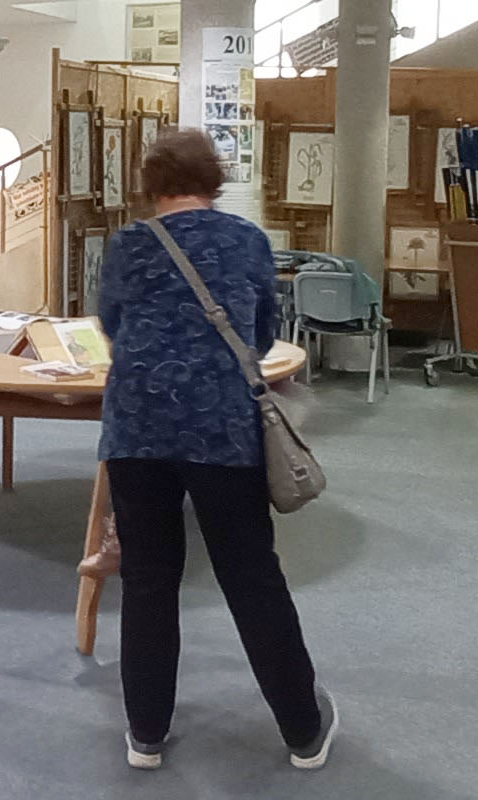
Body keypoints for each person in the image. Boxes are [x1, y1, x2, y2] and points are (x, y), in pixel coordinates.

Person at [96, 130, 336, 771]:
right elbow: (260, 334)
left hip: (137, 427)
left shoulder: (128, 244)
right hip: (221, 426)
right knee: (251, 575)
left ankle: (146, 733)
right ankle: (303, 730)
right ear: (213, 179)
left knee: (148, 579)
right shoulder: (246, 240)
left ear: (151, 183)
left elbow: (112, 324)